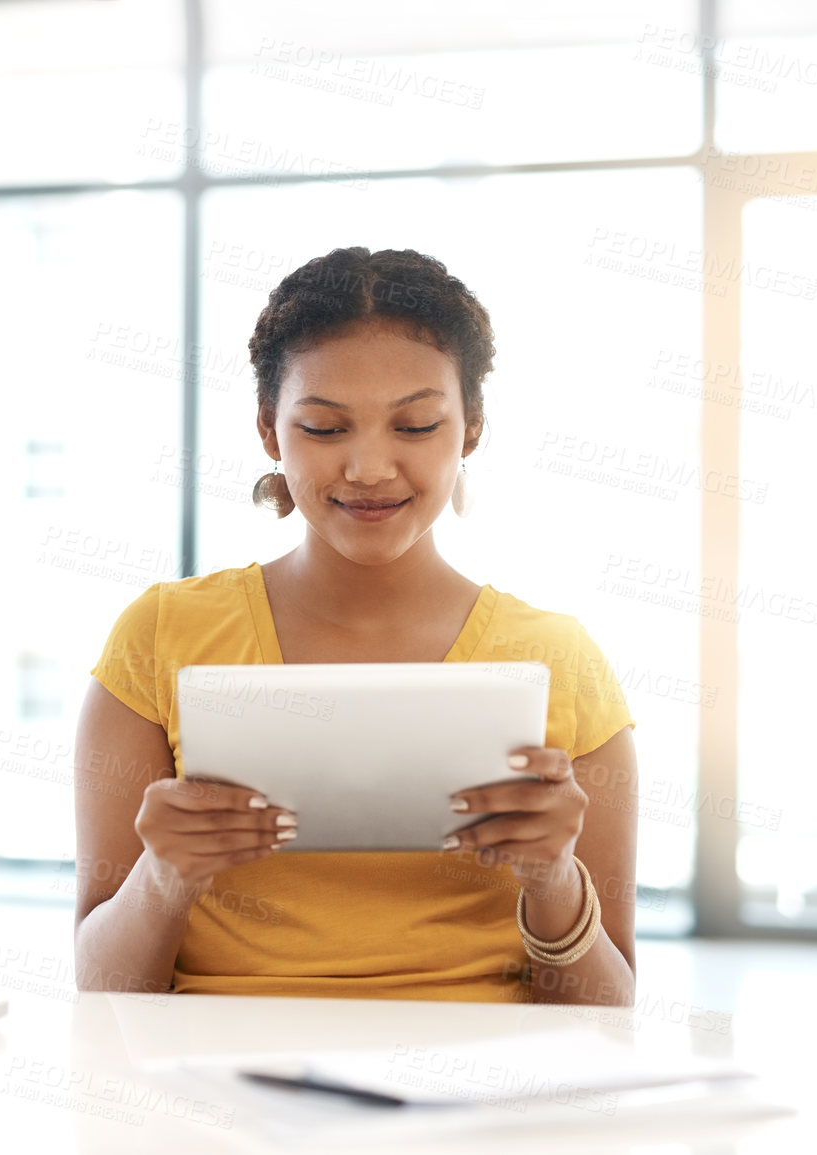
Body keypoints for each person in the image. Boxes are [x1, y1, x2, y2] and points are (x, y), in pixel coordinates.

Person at [72, 247, 639, 1005]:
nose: (369, 468)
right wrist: (164, 874)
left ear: (468, 428)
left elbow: (607, 1011)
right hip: (219, 1086)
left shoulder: (557, 658)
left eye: (415, 424)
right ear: (270, 433)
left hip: (477, 1087)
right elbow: (102, 988)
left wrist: (552, 877)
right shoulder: (158, 636)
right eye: (323, 427)